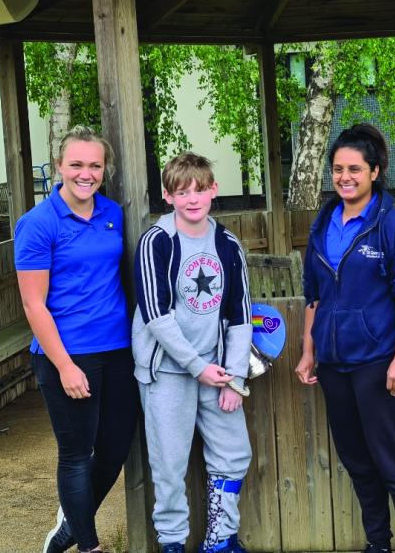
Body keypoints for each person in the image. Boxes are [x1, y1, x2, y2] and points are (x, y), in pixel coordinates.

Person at [295, 123, 395, 553]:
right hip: (334, 364)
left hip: (379, 361)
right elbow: (314, 296)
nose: (344, 177)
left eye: (354, 168)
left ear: (375, 172)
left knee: (389, 460)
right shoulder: (322, 226)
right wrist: (308, 351)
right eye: (337, 169)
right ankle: (378, 544)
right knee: (356, 460)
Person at [14, 126, 139, 553]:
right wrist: (66, 366)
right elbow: (34, 306)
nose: (86, 173)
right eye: (77, 164)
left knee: (116, 447)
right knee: (76, 454)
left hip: (118, 350)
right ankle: (88, 545)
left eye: (95, 165)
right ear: (59, 166)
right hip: (66, 354)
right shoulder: (37, 224)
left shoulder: (113, 213)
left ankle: (71, 519)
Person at [132, 153, 252, 553]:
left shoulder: (228, 244)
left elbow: (240, 315)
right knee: (168, 464)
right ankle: (172, 542)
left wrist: (234, 377)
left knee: (234, 454)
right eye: (182, 192)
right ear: (168, 197)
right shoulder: (157, 242)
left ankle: (220, 538)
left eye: (200, 189)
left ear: (214, 190)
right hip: (168, 372)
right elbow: (156, 315)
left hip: (217, 370)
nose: (193, 199)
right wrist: (196, 367)